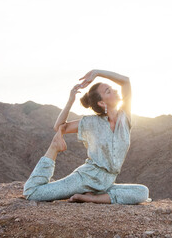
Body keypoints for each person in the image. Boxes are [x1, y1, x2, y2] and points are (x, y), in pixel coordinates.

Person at [22, 69, 151, 205]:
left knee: (142, 192)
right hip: (85, 179)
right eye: (108, 91)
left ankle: (91, 198)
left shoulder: (124, 120)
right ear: (102, 103)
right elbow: (59, 126)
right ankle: (53, 150)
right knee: (32, 193)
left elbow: (125, 81)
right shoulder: (91, 122)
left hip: (106, 184)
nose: (115, 90)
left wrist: (97, 72)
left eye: (112, 88)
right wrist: (70, 101)